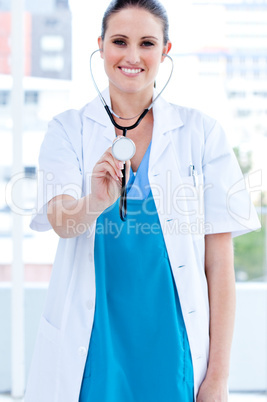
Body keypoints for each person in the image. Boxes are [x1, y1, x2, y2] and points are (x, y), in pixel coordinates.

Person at [25, 0, 261, 401]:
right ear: (100, 46)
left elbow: (219, 264)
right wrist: (95, 202)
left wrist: (218, 377)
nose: (132, 56)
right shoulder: (67, 129)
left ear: (165, 51)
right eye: (120, 41)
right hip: (96, 341)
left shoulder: (201, 133)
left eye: (147, 43)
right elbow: (62, 220)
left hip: (173, 344)